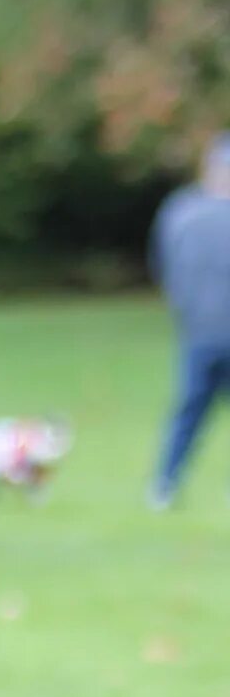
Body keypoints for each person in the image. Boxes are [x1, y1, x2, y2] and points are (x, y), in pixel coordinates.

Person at [146, 135, 230, 508]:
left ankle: (164, 485)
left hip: (196, 331)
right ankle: (165, 483)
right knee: (190, 410)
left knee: (189, 409)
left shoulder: (179, 210)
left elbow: (162, 268)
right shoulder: (185, 211)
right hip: (204, 330)